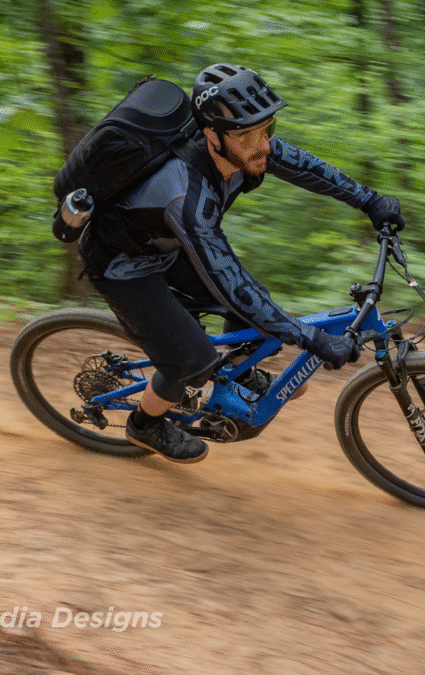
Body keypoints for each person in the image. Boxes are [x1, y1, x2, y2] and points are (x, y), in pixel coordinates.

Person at [79, 63, 405, 464]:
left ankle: (235, 371)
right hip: (121, 265)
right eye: (251, 135)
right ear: (212, 135)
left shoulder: (246, 147)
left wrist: (368, 200)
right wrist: (310, 338)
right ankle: (144, 426)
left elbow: (305, 165)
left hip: (165, 244)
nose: (265, 144)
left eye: (268, 128)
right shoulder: (185, 195)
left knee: (253, 310)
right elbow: (230, 284)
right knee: (191, 360)